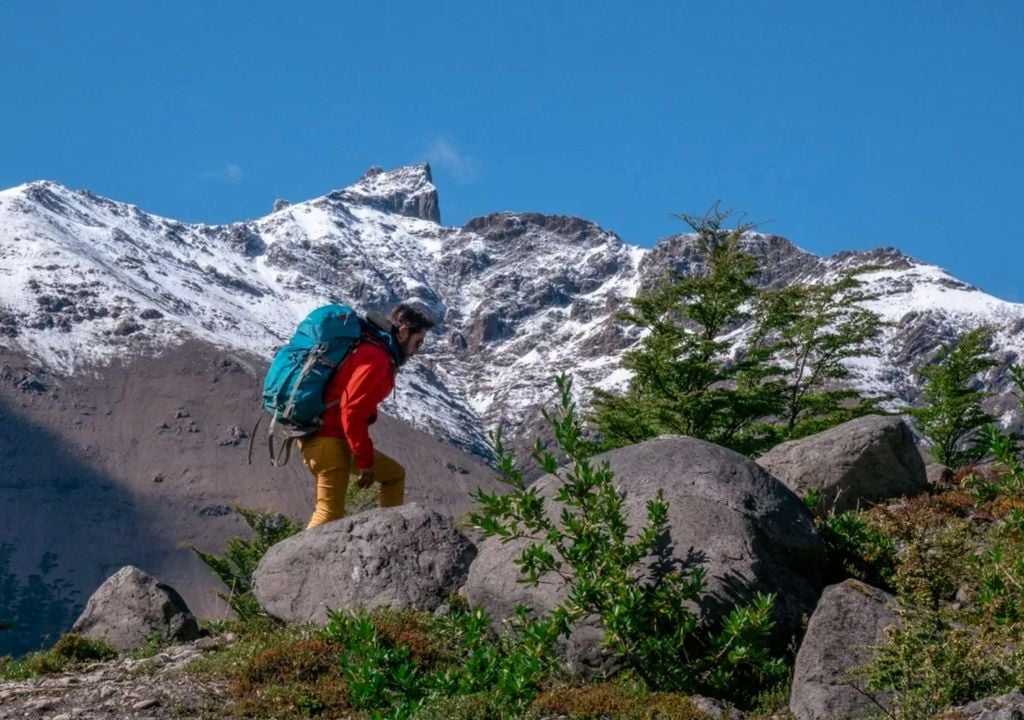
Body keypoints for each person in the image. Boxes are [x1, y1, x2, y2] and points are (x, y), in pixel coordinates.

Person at [298, 302, 435, 528]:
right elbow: (351, 410)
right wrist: (364, 461)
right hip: (327, 438)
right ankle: (296, 564)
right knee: (328, 515)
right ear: (403, 332)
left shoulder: (375, 350)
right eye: (417, 342)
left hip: (329, 437)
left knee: (394, 475)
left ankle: (389, 539)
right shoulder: (376, 357)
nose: (416, 350)